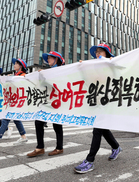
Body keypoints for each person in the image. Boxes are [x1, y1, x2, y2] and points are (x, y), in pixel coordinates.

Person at [74, 43, 122, 174]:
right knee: (103, 128)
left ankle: (89, 161)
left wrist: (112, 64)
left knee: (97, 129)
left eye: (101, 51)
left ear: (107, 53)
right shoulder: (94, 67)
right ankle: (116, 147)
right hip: (97, 100)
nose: (98, 53)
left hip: (108, 101)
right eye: (96, 52)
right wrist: (82, 69)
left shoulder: (111, 65)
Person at [0, 58, 29, 148]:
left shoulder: (23, 75)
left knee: (5, 119)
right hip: (12, 101)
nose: (14, 65)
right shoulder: (16, 75)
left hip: (17, 101)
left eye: (16, 64)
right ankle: (23, 137)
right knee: (16, 119)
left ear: (20, 66)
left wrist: (11, 79)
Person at [27, 51, 65, 157]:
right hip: (46, 101)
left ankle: (59, 148)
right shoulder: (49, 71)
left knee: (57, 124)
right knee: (38, 122)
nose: (47, 60)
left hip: (56, 102)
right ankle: (40, 147)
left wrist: (44, 75)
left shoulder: (59, 71)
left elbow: (57, 84)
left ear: (56, 59)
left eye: (49, 58)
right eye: (47, 58)